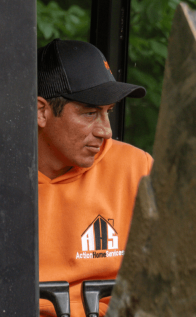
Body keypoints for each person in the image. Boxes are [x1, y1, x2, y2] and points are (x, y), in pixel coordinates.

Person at [38, 39, 153, 317]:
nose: (106, 131)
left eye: (107, 112)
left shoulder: (137, 169)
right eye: (90, 113)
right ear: (41, 111)